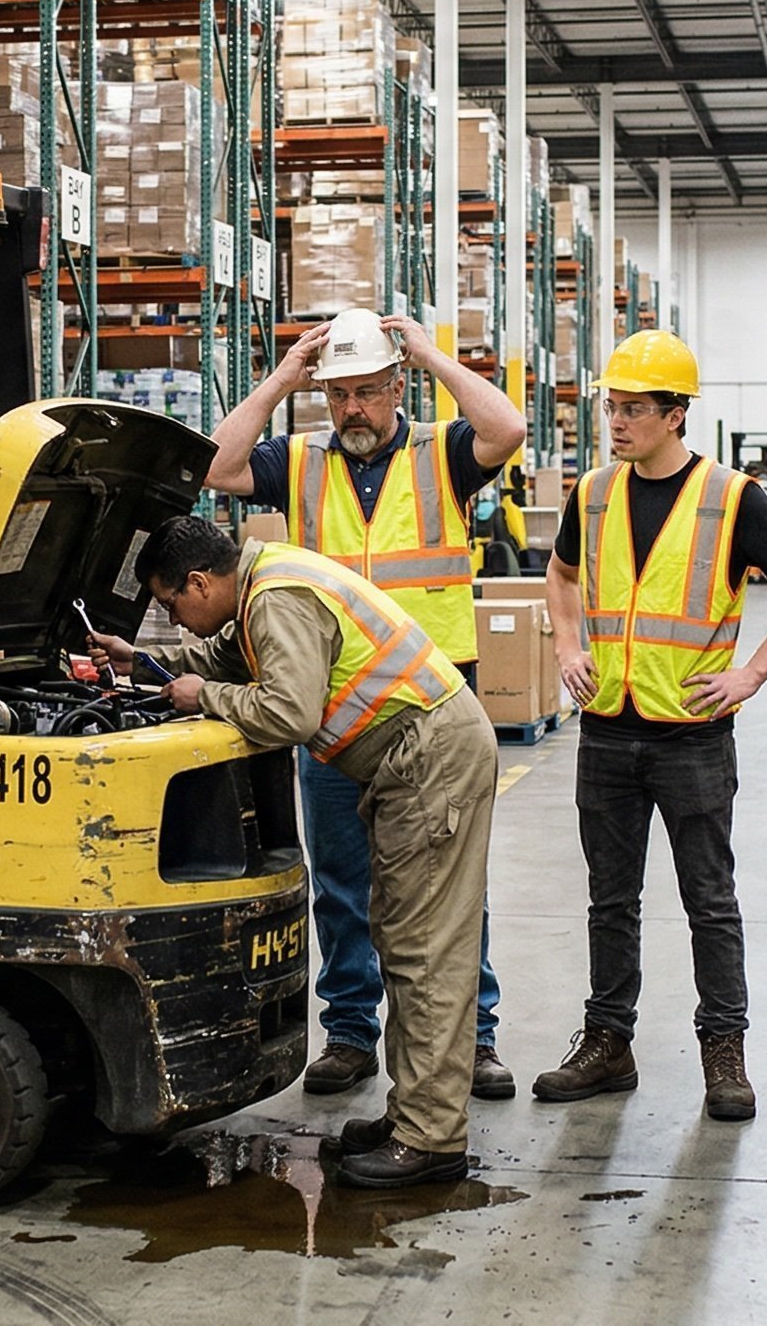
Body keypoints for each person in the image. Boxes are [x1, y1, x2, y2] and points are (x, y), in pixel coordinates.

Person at [91, 516, 499, 1189]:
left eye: (172, 603)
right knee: (402, 940)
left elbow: (290, 713)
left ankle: (431, 1139)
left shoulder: (275, 598)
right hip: (414, 760)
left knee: (425, 950)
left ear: (199, 582)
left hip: (430, 762)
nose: (177, 618)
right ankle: (415, 1115)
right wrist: (144, 664)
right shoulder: (263, 582)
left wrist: (206, 698)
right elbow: (227, 661)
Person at [205, 308, 527, 1101]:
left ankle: (473, 1038)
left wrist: (434, 356)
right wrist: (283, 378)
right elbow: (215, 465)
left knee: (451, 887)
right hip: (334, 714)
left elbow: (509, 428)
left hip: (430, 709)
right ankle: (351, 1032)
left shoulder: (444, 454)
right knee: (343, 884)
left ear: (396, 387)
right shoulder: (300, 461)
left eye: (369, 391)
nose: (353, 409)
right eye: (338, 393)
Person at [534, 331, 767, 1119]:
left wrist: (751, 674)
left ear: (675, 415)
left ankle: (724, 1051)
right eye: (612, 406)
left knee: (710, 901)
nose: (616, 421)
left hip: (692, 734)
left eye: (634, 409)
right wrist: (567, 645)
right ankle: (608, 1041)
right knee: (609, 900)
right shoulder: (593, 493)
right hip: (607, 728)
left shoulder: (731, 498)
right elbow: (560, 574)